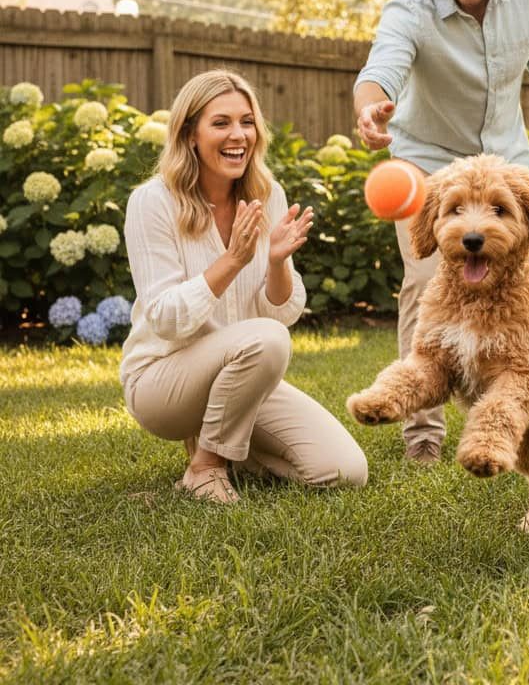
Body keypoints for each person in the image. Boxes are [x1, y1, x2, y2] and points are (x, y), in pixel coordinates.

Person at [354, 0, 529, 464]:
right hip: (429, 170)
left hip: (507, 167)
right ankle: (422, 435)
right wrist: (371, 109)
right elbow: (380, 71)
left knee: (519, 288)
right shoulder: (410, 8)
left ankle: (520, 401)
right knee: (428, 281)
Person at [121, 69, 368, 502]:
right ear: (190, 134)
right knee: (267, 340)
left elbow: (281, 313)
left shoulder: (265, 194)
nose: (239, 135)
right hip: (162, 381)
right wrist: (233, 261)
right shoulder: (152, 201)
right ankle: (207, 467)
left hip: (241, 378)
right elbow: (165, 320)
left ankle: (227, 447)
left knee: (344, 471)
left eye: (247, 121)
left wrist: (276, 263)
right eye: (221, 123)